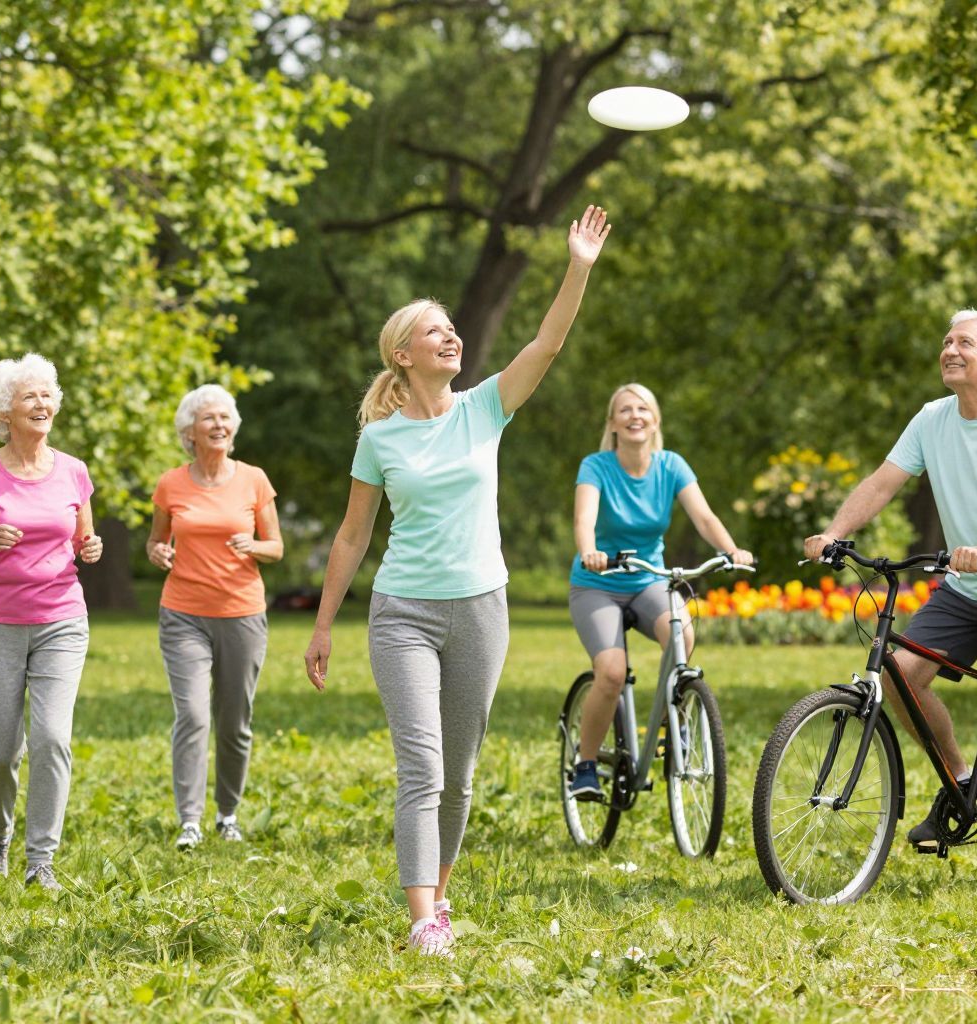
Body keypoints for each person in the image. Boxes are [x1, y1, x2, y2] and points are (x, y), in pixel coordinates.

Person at [304, 205, 611, 956]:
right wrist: (322, 625)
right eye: (434, 331)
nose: (451, 337)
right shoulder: (379, 439)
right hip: (402, 612)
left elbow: (547, 342)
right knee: (423, 766)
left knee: (460, 772)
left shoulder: (485, 408)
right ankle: (421, 921)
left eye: (452, 328)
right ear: (402, 354)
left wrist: (578, 267)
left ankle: (439, 899)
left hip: (480, 608)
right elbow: (352, 535)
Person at [804, 309, 977, 900]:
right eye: (947, 341)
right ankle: (962, 782)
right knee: (899, 676)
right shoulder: (932, 419)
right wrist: (834, 533)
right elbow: (883, 481)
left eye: (964, 343)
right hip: (966, 589)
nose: (949, 349)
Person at [0, 354, 102, 891]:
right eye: (29, 395)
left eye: (47, 394)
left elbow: (81, 540)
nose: (42, 403)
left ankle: (41, 861)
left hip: (61, 619)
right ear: (3, 411)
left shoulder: (74, 471)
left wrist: (91, 547)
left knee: (52, 739)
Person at [566, 383, 753, 799]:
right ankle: (585, 764)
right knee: (611, 674)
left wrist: (730, 550)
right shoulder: (596, 466)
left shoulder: (671, 466)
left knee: (682, 633)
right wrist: (589, 551)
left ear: (655, 421)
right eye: (625, 410)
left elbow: (704, 517)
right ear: (612, 423)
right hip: (598, 584)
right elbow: (584, 519)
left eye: (643, 409)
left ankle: (675, 721)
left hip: (648, 579)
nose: (635, 415)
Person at [147, 384, 283, 852]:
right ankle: (190, 820)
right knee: (192, 715)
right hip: (183, 613)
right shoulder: (170, 484)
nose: (219, 424)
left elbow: (276, 547)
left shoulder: (254, 480)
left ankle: (227, 813)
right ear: (190, 431)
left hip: (241, 613)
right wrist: (158, 552)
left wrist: (254, 546)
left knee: (234, 721)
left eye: (225, 417)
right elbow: (156, 541)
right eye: (209, 418)